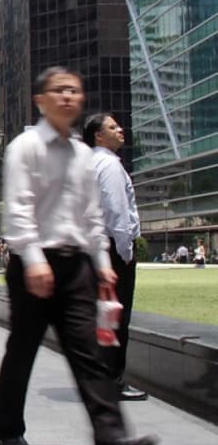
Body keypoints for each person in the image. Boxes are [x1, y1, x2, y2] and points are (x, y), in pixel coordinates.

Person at [0, 66, 157, 445]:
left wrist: (101, 261)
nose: (68, 97)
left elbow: (90, 215)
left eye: (74, 91)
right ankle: (7, 427)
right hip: (34, 264)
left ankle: (110, 438)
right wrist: (32, 260)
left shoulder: (84, 154)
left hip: (76, 266)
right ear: (41, 100)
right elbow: (17, 209)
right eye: (59, 90)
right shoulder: (24, 147)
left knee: (89, 351)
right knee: (23, 347)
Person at [83, 113, 147, 402]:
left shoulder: (90, 162)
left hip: (98, 246)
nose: (120, 130)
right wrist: (126, 250)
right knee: (117, 317)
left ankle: (101, 377)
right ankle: (114, 381)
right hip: (112, 247)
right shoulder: (108, 164)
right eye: (112, 127)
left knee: (104, 317)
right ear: (98, 135)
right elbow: (116, 211)